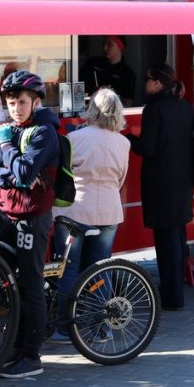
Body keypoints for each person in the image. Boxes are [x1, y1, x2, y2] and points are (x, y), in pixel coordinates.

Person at [0, 70, 60, 378]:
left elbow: (26, 173)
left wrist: (8, 153)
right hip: (8, 213)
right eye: (12, 102)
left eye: (23, 102)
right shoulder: (12, 131)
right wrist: (12, 176)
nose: (16, 108)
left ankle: (32, 356)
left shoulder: (43, 133)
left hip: (32, 216)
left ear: (37, 102)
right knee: (7, 282)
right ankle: (14, 347)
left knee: (30, 283)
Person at [47, 88, 130, 341]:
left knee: (68, 269)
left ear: (92, 109)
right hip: (108, 210)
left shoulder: (75, 138)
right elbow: (120, 178)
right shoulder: (123, 142)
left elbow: (62, 176)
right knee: (99, 270)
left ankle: (65, 327)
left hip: (74, 210)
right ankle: (99, 327)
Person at [127, 63, 194, 311]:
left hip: (160, 181)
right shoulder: (184, 106)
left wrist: (127, 137)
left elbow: (148, 148)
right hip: (182, 179)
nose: (144, 84)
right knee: (178, 235)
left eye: (148, 79)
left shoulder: (154, 110)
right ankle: (175, 292)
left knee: (166, 240)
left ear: (157, 83)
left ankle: (172, 297)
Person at [81, 35, 136, 105]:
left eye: (110, 44)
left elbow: (127, 105)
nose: (105, 48)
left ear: (120, 47)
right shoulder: (92, 64)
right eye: (103, 44)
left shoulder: (128, 74)